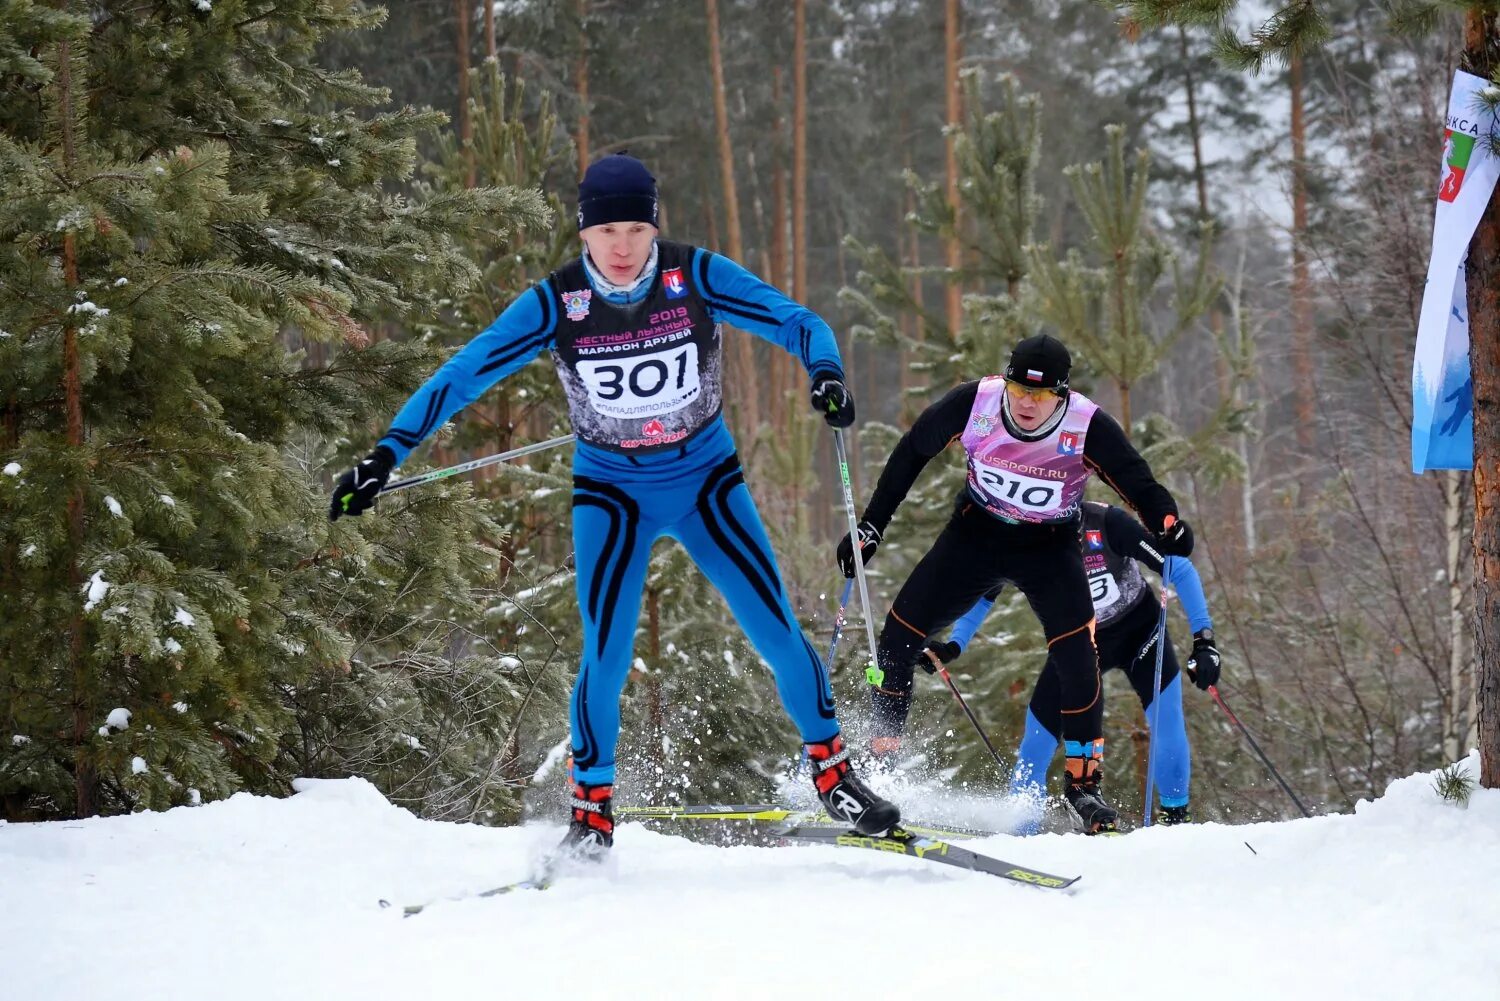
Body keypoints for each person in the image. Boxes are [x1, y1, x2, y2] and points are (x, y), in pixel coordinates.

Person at [331, 153, 899, 855]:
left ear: (654, 225)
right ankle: (591, 808)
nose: (623, 246)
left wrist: (826, 375)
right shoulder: (556, 302)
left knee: (777, 628)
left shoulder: (693, 275)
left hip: (705, 480)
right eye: (607, 231)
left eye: (636, 227)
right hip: (611, 492)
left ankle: (835, 777)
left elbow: (800, 322)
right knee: (605, 650)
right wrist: (387, 454)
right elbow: (464, 372)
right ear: (583, 234)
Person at [836, 334, 1191, 833]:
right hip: (974, 535)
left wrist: (1168, 522)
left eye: (1042, 396)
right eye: (1020, 388)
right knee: (897, 640)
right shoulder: (975, 402)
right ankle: (878, 773)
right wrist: (871, 525)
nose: (1027, 403)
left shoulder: (1086, 424)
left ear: (1062, 395)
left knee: (1077, 657)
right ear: (1007, 380)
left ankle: (1083, 789)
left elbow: (1137, 482)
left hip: (1048, 549)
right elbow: (911, 452)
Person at [922, 501, 1222, 831]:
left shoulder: (1106, 523)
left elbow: (1178, 568)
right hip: (1076, 641)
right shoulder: (1020, 539)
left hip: (1141, 632)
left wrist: (1204, 640)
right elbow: (983, 595)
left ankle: (1176, 819)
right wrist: (954, 644)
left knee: (1166, 717)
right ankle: (1023, 831)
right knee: (1036, 740)